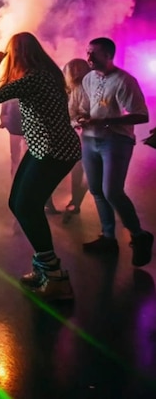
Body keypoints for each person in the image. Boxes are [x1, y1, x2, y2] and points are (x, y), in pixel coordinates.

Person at [0, 33, 81, 301]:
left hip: (53, 150)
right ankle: (44, 268)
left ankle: (56, 277)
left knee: (26, 206)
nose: (8, 58)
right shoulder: (44, 74)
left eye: (10, 54)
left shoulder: (34, 78)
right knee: (17, 203)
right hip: (42, 148)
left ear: (18, 54)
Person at [77, 37, 152, 266]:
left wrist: (106, 121)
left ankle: (140, 236)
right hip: (89, 140)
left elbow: (142, 115)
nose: (88, 58)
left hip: (116, 141)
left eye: (94, 54)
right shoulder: (88, 78)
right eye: (88, 52)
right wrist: (81, 118)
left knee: (112, 192)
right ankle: (108, 238)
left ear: (109, 56)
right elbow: (87, 106)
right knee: (96, 189)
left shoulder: (124, 80)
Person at [61, 58, 91, 221]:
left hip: (93, 136)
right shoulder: (71, 90)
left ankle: (75, 202)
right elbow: (71, 115)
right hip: (79, 136)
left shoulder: (94, 87)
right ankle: (75, 202)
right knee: (78, 171)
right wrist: (76, 121)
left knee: (90, 175)